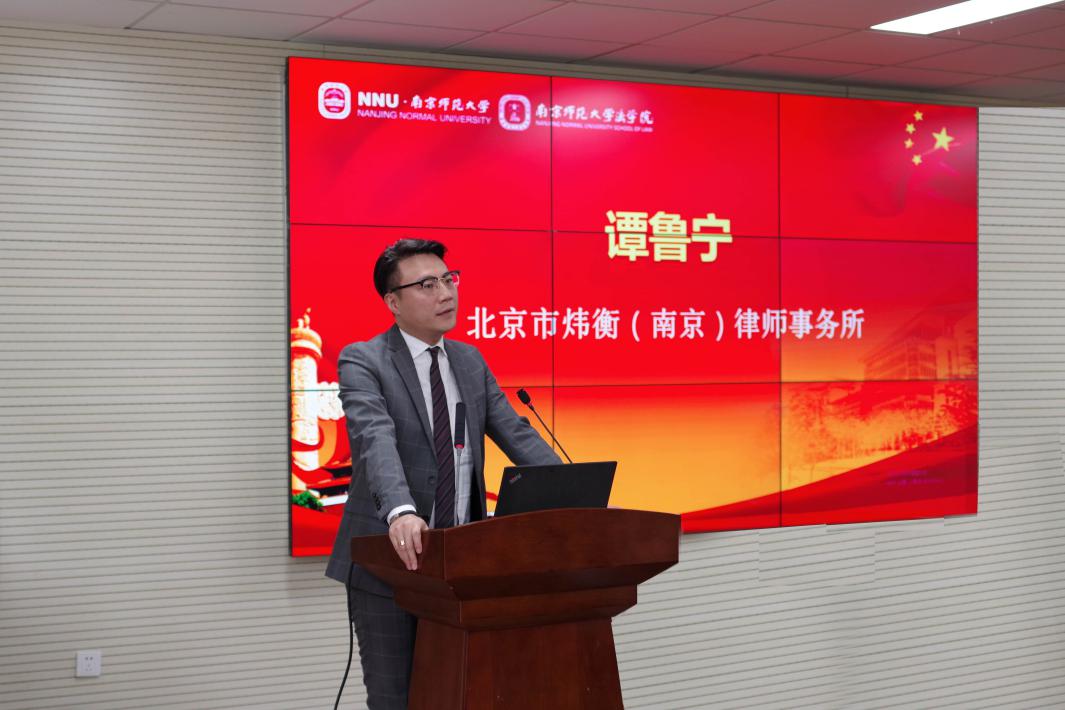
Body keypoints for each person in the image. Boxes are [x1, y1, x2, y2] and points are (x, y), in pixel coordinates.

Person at [325, 238, 561, 709]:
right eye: (427, 285)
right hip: (389, 565)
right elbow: (375, 439)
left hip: (461, 565)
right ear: (393, 302)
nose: (446, 293)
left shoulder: (469, 361)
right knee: (396, 699)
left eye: (449, 279)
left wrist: (574, 493)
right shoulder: (364, 359)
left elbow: (516, 434)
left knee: (460, 692)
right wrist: (401, 511)